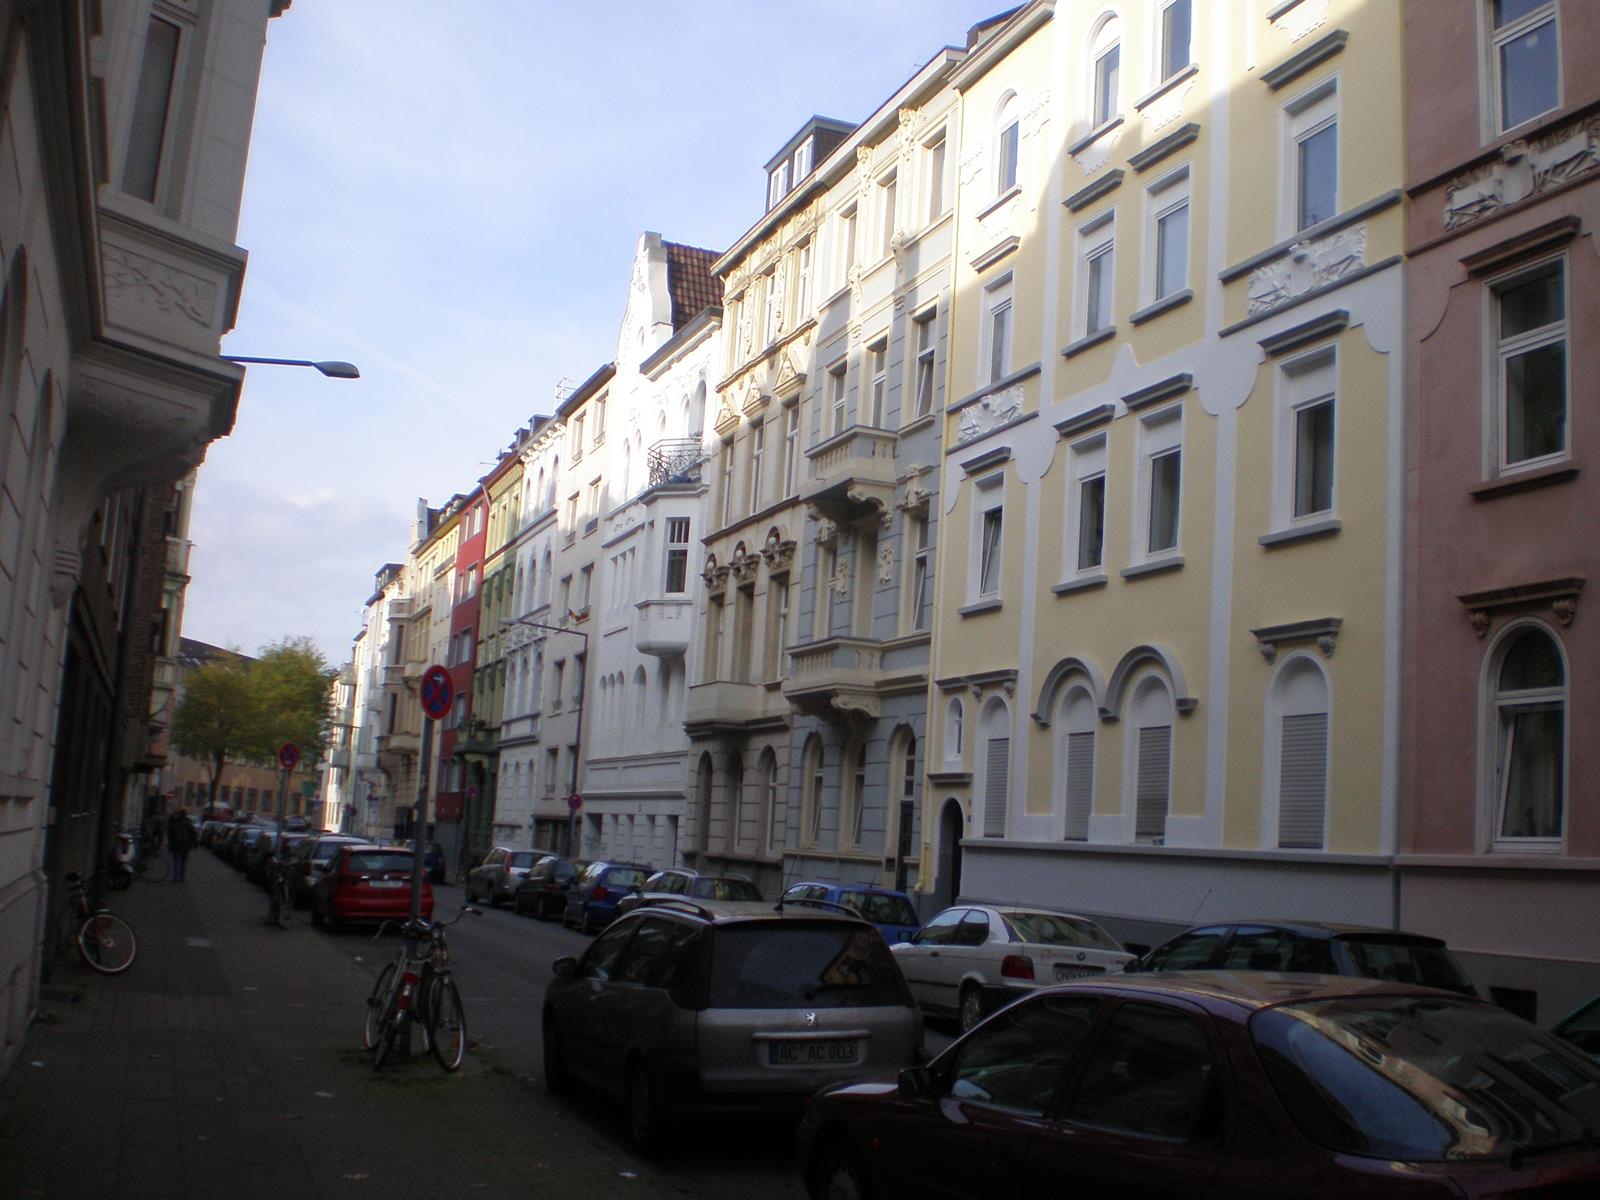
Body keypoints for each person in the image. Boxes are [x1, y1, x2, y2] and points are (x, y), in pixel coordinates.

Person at [168, 809, 198, 883]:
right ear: (185, 815)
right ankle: (181, 877)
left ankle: (176, 877)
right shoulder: (188, 823)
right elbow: (194, 835)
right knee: (183, 862)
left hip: (176, 844)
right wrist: (195, 844)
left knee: (176, 861)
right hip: (186, 845)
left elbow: (170, 834)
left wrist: (170, 845)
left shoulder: (175, 822)